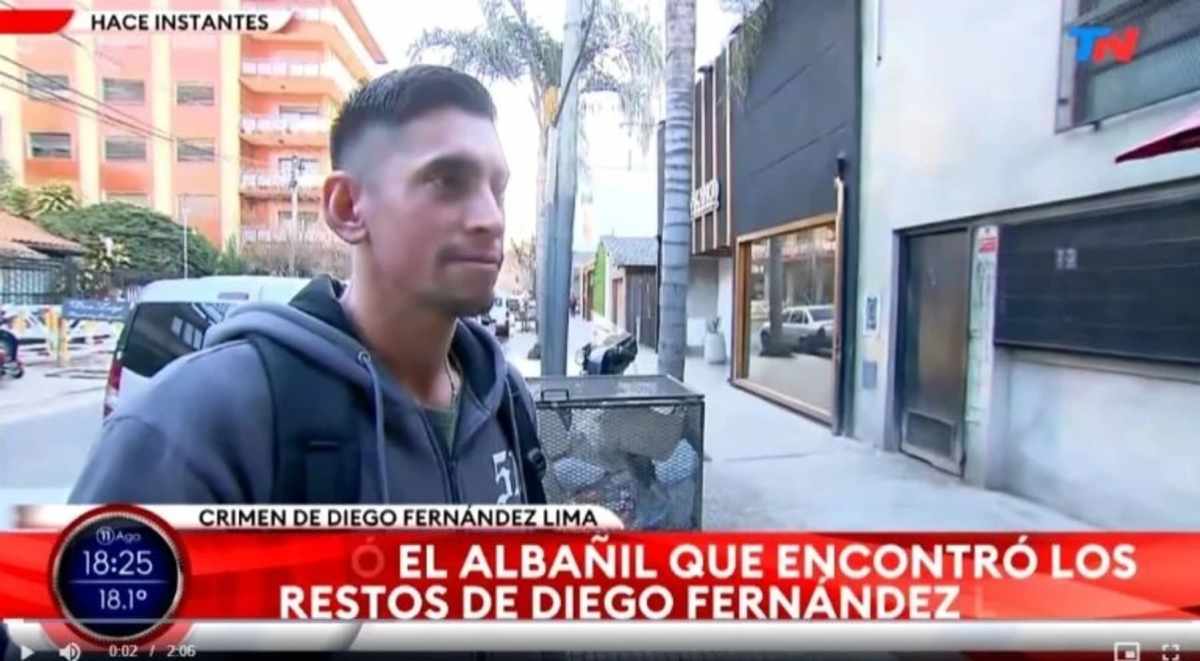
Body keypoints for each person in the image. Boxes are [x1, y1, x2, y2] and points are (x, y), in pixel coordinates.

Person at [70, 66, 546, 505]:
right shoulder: (192, 424)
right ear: (347, 208)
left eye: (497, 189)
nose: (491, 219)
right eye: (447, 181)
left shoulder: (504, 398)